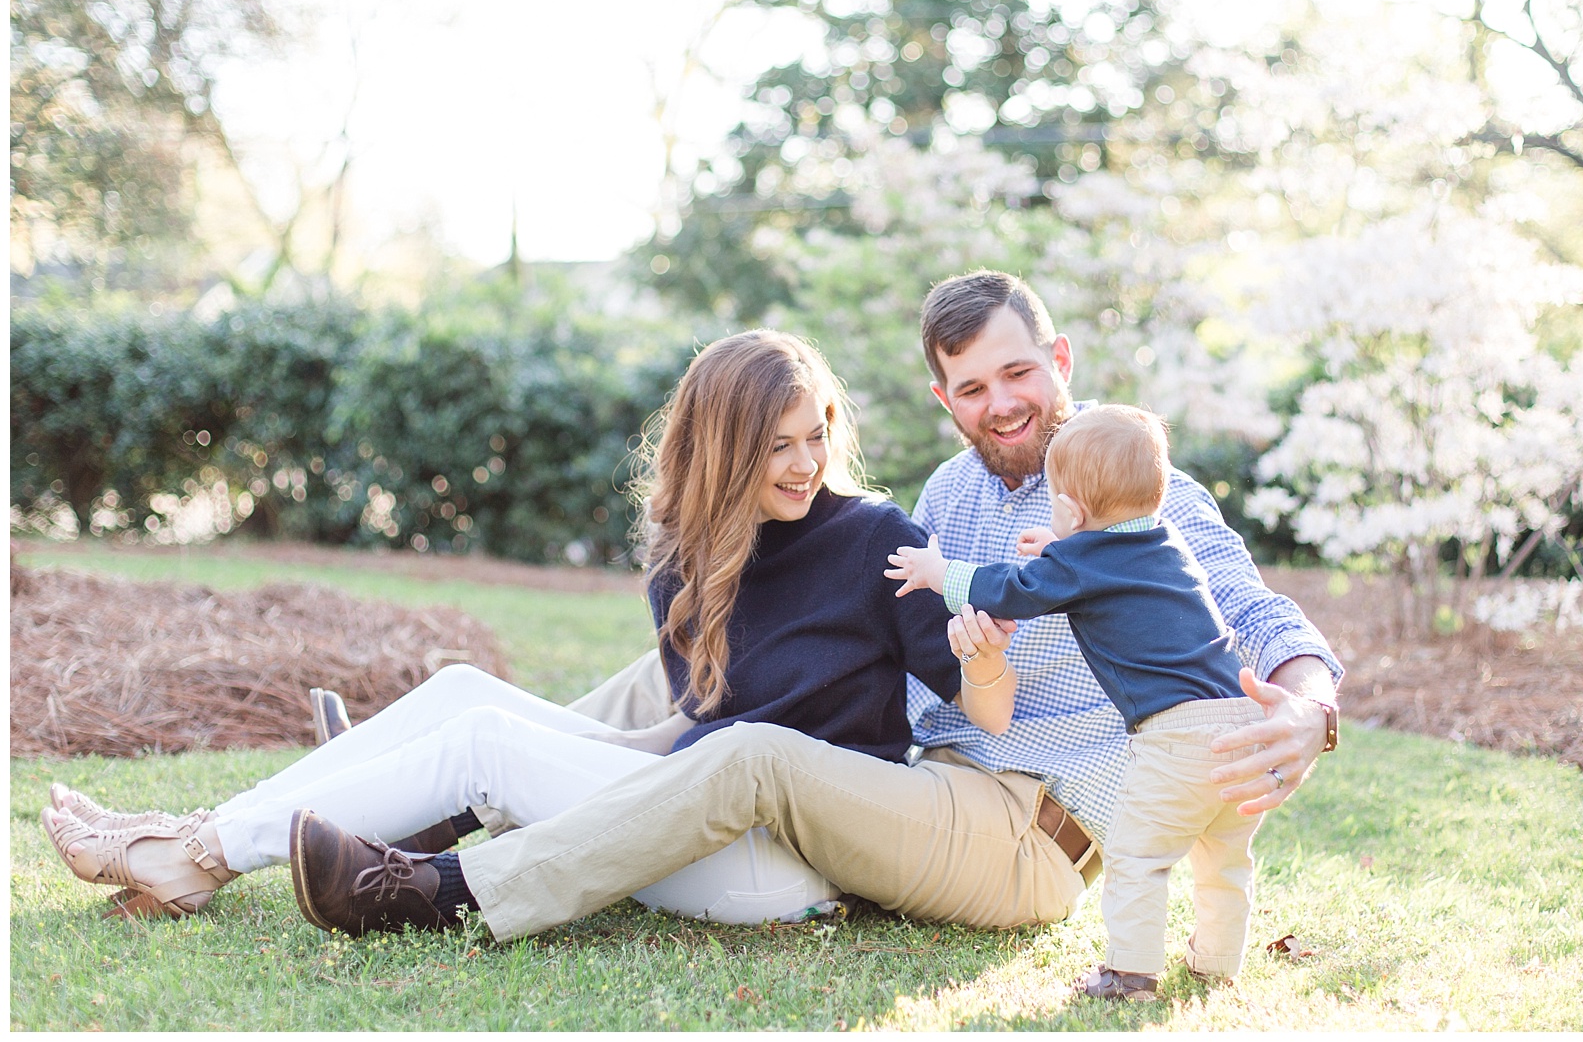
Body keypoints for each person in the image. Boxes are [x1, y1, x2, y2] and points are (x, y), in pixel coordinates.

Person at [287, 270, 1342, 957]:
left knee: (751, 751)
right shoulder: (947, 500)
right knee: (666, 672)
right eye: (972, 387)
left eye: (1019, 371)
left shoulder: (1138, 496)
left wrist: (1307, 701)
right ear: (943, 398)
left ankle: (448, 885)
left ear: (1057, 361)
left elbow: (1251, 609)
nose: (1003, 402)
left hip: (1023, 828)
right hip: (915, 782)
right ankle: (453, 786)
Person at [41, 331, 997, 929]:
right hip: (687, 814)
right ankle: (199, 834)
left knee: (487, 745)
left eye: (816, 435)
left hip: (785, 863)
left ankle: (196, 856)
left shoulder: (880, 537)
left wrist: (985, 637)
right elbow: (696, 728)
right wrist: (570, 750)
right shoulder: (687, 558)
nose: (804, 463)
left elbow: (961, 703)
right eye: (775, 445)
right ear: (720, 448)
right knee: (465, 692)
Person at [886, 403, 1275, 1000]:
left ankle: (1128, 973)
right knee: (1223, 860)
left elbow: (1013, 590)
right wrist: (1061, 548)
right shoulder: (1163, 540)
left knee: (1138, 855)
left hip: (1175, 736)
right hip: (1239, 730)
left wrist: (940, 572)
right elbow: (1096, 563)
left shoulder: (1084, 563)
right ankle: (1217, 964)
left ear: (1070, 509)